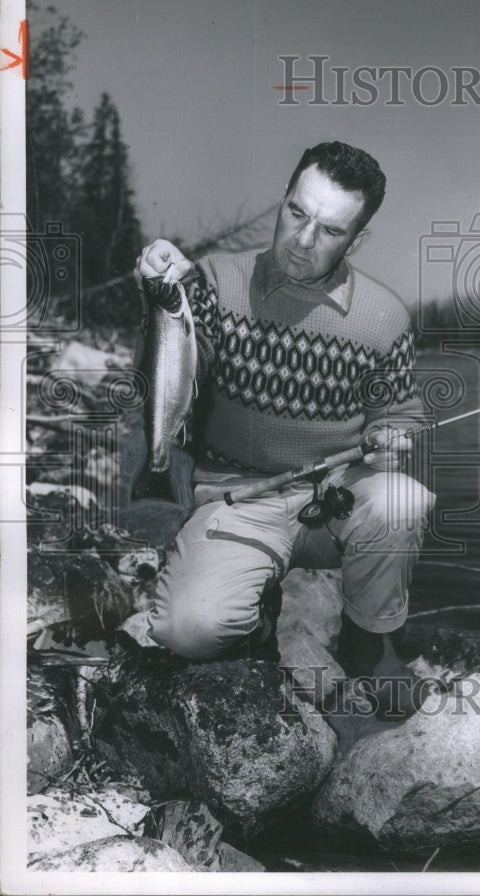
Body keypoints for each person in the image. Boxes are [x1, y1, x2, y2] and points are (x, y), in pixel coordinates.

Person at [134, 141, 434, 717]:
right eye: (297, 213)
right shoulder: (217, 281)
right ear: (284, 200)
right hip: (235, 494)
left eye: (328, 230)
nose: (302, 240)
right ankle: (253, 620)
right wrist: (160, 282)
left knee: (402, 500)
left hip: (334, 497)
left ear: (356, 238)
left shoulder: (384, 317)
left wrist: (394, 436)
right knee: (187, 630)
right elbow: (164, 368)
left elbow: (398, 411)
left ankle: (367, 642)